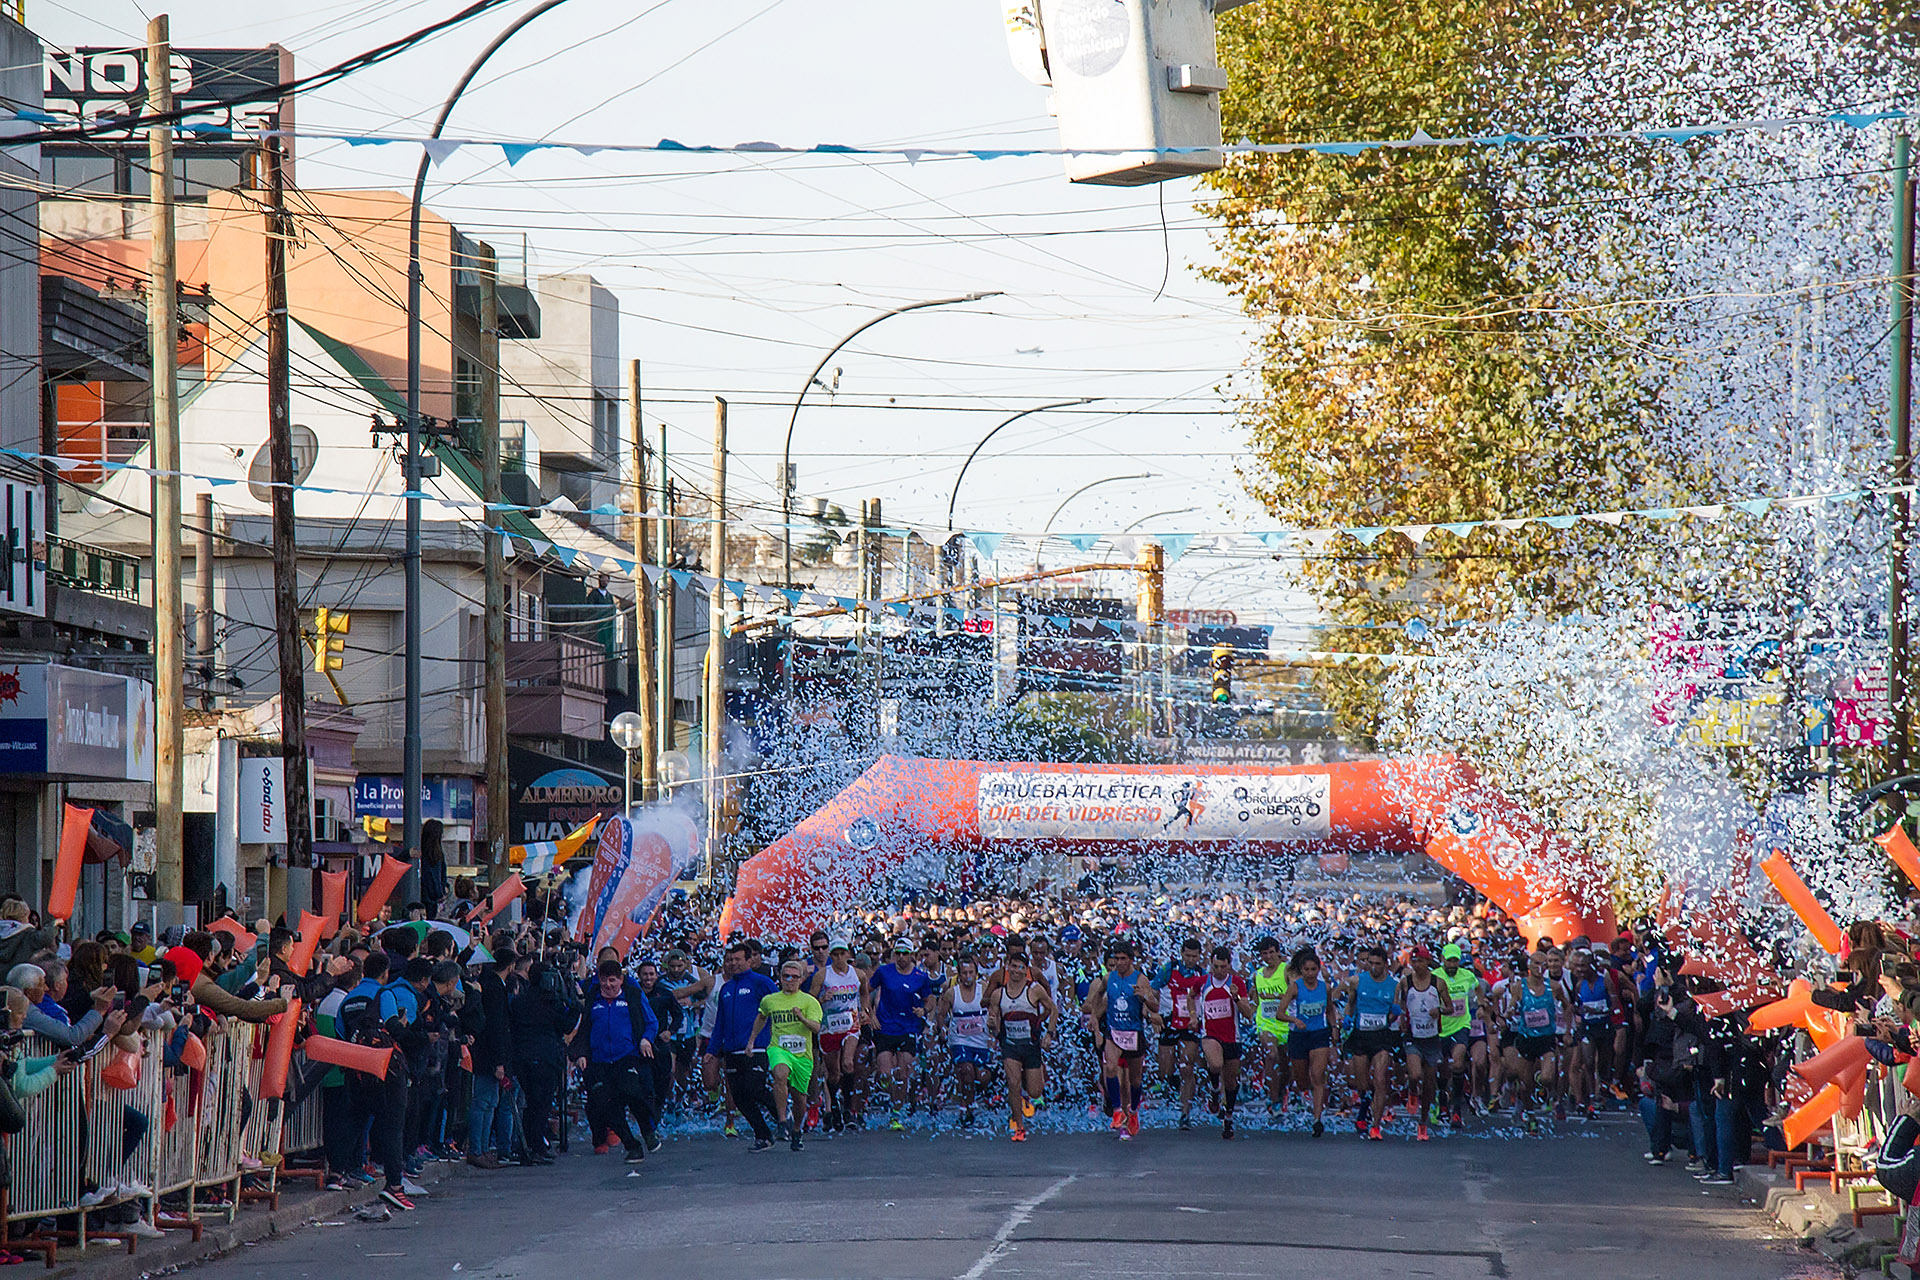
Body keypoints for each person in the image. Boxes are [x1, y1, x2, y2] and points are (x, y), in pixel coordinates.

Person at [572, 958, 660, 1164]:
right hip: (599, 1061)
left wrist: (646, 1039)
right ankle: (632, 1145)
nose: (608, 985)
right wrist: (580, 1054)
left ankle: (648, 1131)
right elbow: (584, 1029)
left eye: (612, 980)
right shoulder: (593, 999)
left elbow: (652, 1022)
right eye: (604, 981)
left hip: (626, 1056)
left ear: (621, 980)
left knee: (631, 1092)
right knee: (605, 1104)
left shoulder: (633, 996)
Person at [1083, 939, 1157, 1139]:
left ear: (1131, 960)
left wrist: (1145, 997)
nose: (1119, 963)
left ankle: (1132, 1111)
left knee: (1134, 1079)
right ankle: (1117, 1110)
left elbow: (1155, 1007)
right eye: (1116, 959)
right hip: (1114, 1032)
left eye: (1123, 959)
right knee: (1110, 1068)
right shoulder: (1108, 978)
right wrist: (1094, 1019)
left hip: (1133, 1033)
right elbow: (1098, 996)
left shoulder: (1140, 979)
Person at [709, 942, 780, 1152]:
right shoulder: (726, 989)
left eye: (738, 959)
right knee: (739, 1097)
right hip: (732, 1050)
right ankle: (763, 1135)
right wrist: (711, 1051)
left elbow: (778, 1007)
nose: (733, 963)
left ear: (749, 961)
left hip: (757, 1047)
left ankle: (784, 1118)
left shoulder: (761, 982)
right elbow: (719, 1022)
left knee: (755, 1088)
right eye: (730, 960)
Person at [750, 960, 823, 1152]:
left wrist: (801, 1018)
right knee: (780, 1074)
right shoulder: (770, 1000)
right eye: (786, 976)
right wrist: (751, 1041)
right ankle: (782, 1121)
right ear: (780, 978)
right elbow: (761, 1017)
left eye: (794, 977)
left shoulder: (809, 1001)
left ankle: (797, 1130)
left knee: (800, 1097)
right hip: (778, 1048)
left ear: (800, 980)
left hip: (802, 1055)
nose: (789, 980)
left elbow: (817, 1028)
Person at [864, 939, 935, 1131]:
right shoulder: (884, 972)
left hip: (909, 1028)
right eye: (898, 953)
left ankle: (896, 1114)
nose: (901, 957)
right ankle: (889, 1095)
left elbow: (930, 1000)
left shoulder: (920, 976)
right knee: (885, 1073)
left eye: (905, 953)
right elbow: (865, 991)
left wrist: (924, 1011)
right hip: (885, 1027)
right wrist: (870, 1014)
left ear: (912, 954)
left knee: (903, 1073)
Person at [508, 959, 571, 1166]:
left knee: (531, 1103)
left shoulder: (519, 1001)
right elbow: (566, 1026)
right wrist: (576, 1007)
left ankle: (529, 1144)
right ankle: (535, 1146)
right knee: (541, 1103)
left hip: (522, 1057)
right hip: (545, 1058)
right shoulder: (551, 1004)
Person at [989, 951, 1056, 1142]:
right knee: (1013, 1083)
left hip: (1031, 1045)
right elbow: (993, 1022)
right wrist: (992, 1026)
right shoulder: (998, 994)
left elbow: (1053, 1009)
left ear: (1026, 970)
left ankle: (1030, 1089)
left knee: (1035, 1091)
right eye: (1013, 966)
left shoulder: (1034, 990)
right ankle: (1019, 1126)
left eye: (1021, 967)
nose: (1017, 971)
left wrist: (1049, 1033)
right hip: (1010, 1045)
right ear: (1007, 967)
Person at [1340, 944, 1400, 1141]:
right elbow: (1350, 1004)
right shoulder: (1357, 981)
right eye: (1370, 963)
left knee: (1380, 1079)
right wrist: (1347, 1018)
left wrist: (1394, 1015)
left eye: (1378, 964)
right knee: (1362, 1083)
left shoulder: (1394, 985)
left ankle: (1375, 1126)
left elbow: (1396, 1009)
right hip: (1360, 1035)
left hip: (1381, 1036)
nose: (1373, 967)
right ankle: (1366, 1106)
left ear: (1385, 964)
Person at [1195, 946, 1255, 1140]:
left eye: (1223, 966)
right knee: (1215, 1064)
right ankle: (1214, 1090)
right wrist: (1192, 1015)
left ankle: (1228, 1117)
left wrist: (1236, 997)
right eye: (1215, 966)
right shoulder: (1203, 982)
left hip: (1232, 1037)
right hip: (1209, 1033)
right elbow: (1190, 996)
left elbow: (1248, 1014)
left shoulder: (1237, 983)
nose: (1219, 970)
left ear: (1230, 965)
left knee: (1231, 1082)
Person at [807, 939, 865, 1131]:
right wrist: (822, 999)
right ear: (831, 956)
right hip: (829, 1027)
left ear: (848, 954)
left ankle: (848, 1109)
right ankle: (834, 1106)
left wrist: (865, 1010)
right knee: (834, 1074)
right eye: (835, 954)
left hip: (851, 1025)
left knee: (848, 1062)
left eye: (843, 953)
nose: (839, 958)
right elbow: (810, 999)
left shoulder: (858, 974)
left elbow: (864, 993)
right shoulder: (823, 975)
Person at [1399, 947, 1454, 1142]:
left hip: (1431, 1039)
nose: (1417, 965)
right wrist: (1401, 1019)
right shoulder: (1405, 982)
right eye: (1414, 961)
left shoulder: (1437, 983)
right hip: (1413, 1037)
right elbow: (1399, 1005)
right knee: (1414, 1074)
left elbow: (1450, 1007)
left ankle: (1423, 1124)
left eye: (1421, 961)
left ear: (1428, 962)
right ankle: (1412, 1090)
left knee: (1430, 1082)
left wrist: (1438, 1010)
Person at [1279, 945, 1334, 1137]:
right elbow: (1280, 1013)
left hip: (1319, 1034)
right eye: (1307, 970)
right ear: (1301, 970)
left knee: (1318, 1076)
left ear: (1319, 970)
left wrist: (1334, 1029)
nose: (1310, 973)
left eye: (1313, 969)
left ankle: (1317, 1119)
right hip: (1298, 1035)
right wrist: (1294, 1020)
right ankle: (1301, 1093)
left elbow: (1330, 1010)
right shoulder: (1295, 987)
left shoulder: (1325, 988)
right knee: (1303, 1081)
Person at [940, 956, 995, 1128]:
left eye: (971, 972)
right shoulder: (951, 993)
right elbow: (941, 1015)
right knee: (967, 1071)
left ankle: (980, 1095)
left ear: (977, 974)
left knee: (982, 1077)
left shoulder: (984, 989)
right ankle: (967, 1109)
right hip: (960, 1040)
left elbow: (994, 1009)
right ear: (959, 975)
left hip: (981, 1040)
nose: (968, 976)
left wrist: (994, 1027)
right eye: (964, 973)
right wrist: (942, 1029)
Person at [1156, 938, 1205, 1129]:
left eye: (1194, 956)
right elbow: (1153, 988)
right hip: (1169, 1021)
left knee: (1187, 1066)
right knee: (1165, 1071)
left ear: (1200, 956)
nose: (1191, 959)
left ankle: (1185, 1112)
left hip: (1190, 1023)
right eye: (1187, 955)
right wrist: (1153, 1013)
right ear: (1181, 954)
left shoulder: (1202, 973)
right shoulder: (1169, 969)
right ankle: (1174, 1084)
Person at [1437, 943, 1485, 1125]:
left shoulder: (1468, 976)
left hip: (1461, 1025)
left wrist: (1480, 1005)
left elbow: (1478, 988)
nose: (1451, 965)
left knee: (1457, 1064)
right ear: (1442, 960)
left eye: (1455, 961)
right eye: (1448, 961)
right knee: (1442, 1069)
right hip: (1441, 1028)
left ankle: (1457, 1109)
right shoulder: (1436, 976)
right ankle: (1442, 1103)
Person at [1251, 935, 1292, 1120]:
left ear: (1278, 952)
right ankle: (1273, 1099)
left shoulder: (1287, 971)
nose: (1268, 957)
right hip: (1266, 1023)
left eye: (1271, 952)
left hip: (1286, 1024)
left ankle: (1282, 1090)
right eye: (1264, 954)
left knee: (1285, 1065)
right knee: (1271, 1055)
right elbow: (1255, 1001)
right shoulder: (1257, 975)